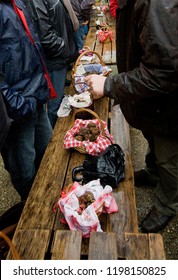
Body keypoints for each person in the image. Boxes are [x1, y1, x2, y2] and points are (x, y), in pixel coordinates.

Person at [85, 0, 178, 233]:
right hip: (153, 104)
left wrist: (109, 84)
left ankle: (167, 204)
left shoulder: (156, 4)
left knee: (169, 157)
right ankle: (152, 172)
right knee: (153, 140)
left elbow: (162, 72)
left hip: (170, 105)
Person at [0, 0, 56, 200]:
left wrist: (44, 86)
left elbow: (32, 49)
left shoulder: (18, 3)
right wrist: (17, 105)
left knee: (50, 155)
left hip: (36, 98)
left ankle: (51, 202)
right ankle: (33, 215)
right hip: (18, 109)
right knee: (26, 173)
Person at [23, 0, 79, 128]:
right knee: (54, 107)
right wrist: (65, 49)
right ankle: (54, 144)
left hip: (61, 58)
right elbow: (46, 37)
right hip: (55, 61)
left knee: (58, 102)